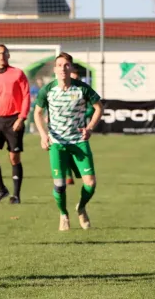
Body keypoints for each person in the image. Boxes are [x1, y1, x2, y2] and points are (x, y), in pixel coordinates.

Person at [33, 52, 103, 231]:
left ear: (71, 68)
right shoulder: (48, 90)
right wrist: (43, 135)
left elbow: (98, 108)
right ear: (55, 69)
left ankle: (80, 208)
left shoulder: (82, 88)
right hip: (57, 143)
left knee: (91, 184)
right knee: (60, 185)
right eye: (59, 65)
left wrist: (90, 128)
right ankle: (63, 214)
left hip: (79, 142)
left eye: (66, 65)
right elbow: (37, 113)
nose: (63, 68)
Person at [0, 44, 30, 204]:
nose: (1, 56)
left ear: (8, 55)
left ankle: (15, 195)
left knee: (14, 158)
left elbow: (26, 96)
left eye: (3, 53)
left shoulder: (18, 74)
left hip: (14, 119)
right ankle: (1, 188)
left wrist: (21, 118)